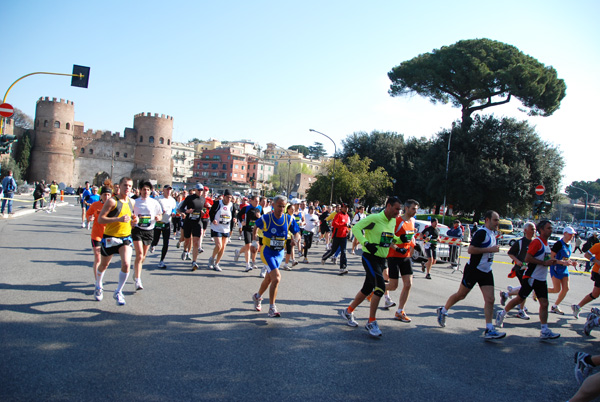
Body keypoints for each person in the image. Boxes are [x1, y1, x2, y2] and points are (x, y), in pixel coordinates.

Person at [437, 211, 506, 340]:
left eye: (498, 220)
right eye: (495, 220)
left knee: (490, 299)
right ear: (487, 220)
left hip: (486, 271)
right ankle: (443, 310)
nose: (497, 223)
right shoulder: (481, 233)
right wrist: (489, 250)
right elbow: (471, 250)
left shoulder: (493, 233)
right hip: (474, 270)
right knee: (461, 295)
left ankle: (489, 328)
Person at [340, 196, 402, 338]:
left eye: (399, 209)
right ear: (388, 206)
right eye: (396, 209)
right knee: (379, 287)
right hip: (369, 257)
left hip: (382, 258)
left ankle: (348, 311)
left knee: (367, 288)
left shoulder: (392, 221)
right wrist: (365, 243)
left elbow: (389, 237)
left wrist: (400, 241)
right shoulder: (374, 218)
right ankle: (371, 321)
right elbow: (356, 228)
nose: (398, 212)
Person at [495, 220, 560, 340]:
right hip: (531, 277)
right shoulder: (537, 242)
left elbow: (547, 259)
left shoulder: (546, 243)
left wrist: (562, 262)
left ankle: (544, 330)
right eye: (548, 228)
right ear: (542, 230)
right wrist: (543, 263)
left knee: (544, 304)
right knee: (520, 298)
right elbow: (528, 258)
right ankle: (502, 313)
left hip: (541, 279)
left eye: (551, 228)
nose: (551, 230)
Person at [251, 195, 301, 317]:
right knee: (277, 278)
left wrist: (295, 239)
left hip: (279, 253)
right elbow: (256, 226)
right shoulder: (267, 218)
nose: (281, 209)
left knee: (269, 279)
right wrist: (254, 241)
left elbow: (297, 233)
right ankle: (272, 308)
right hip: (267, 252)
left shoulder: (289, 219)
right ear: (273, 205)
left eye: (283, 206)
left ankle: (257, 296)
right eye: (279, 206)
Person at [96, 177, 138, 306]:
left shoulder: (132, 202)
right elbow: (100, 219)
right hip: (110, 237)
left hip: (125, 237)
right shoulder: (112, 201)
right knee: (104, 265)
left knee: (126, 264)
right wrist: (117, 219)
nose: (127, 188)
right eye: (125, 185)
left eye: (130, 186)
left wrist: (134, 222)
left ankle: (118, 291)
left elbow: (130, 221)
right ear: (119, 186)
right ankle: (98, 285)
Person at [386, 199, 419, 322]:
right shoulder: (397, 221)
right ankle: (375, 288)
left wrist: (415, 246)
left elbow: (410, 237)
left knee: (408, 284)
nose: (415, 211)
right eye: (413, 209)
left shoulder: (413, 221)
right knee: (393, 286)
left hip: (406, 257)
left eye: (416, 209)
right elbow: (389, 239)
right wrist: (397, 249)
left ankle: (400, 311)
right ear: (406, 208)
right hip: (394, 256)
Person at [500, 221, 536, 320]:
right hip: (521, 269)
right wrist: (518, 261)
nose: (534, 231)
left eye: (534, 229)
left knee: (525, 289)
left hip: (531, 269)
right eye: (532, 229)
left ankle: (508, 294)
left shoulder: (535, 242)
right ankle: (521, 310)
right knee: (525, 288)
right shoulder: (520, 242)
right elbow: (510, 253)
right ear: (525, 230)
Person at [131, 181, 163, 290]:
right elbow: (129, 213)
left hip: (149, 230)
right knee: (139, 254)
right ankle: (138, 280)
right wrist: (133, 220)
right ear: (140, 190)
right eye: (144, 189)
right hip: (137, 229)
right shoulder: (134, 202)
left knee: (143, 256)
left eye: (148, 190)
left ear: (151, 191)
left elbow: (160, 214)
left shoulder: (154, 202)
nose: (146, 191)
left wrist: (159, 217)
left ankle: (136, 270)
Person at [86, 185, 113, 300]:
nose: (106, 197)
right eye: (104, 194)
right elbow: (89, 213)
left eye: (108, 195)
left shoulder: (113, 206)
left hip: (109, 236)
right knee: (97, 258)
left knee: (105, 262)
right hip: (96, 235)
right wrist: (89, 218)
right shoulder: (95, 205)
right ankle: (98, 283)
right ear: (100, 195)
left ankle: (100, 276)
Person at [547, 226, 578, 315]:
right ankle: (538, 292)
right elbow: (551, 258)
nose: (572, 236)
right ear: (564, 234)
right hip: (556, 268)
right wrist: (562, 262)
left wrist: (572, 263)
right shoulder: (558, 244)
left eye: (573, 235)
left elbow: (566, 258)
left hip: (564, 269)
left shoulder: (570, 245)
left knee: (566, 288)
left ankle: (555, 306)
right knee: (556, 289)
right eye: (570, 234)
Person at [179, 184, 209, 270]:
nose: (200, 192)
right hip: (188, 222)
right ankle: (185, 251)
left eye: (201, 190)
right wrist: (187, 211)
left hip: (197, 222)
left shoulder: (203, 199)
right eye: (198, 190)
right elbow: (181, 208)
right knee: (187, 240)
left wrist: (202, 213)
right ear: (195, 190)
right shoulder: (189, 198)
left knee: (196, 242)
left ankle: (194, 261)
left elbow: (202, 209)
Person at [208, 189, 236, 271]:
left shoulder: (232, 205)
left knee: (223, 247)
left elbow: (234, 214)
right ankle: (212, 258)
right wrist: (213, 219)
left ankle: (217, 263)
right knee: (219, 245)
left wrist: (235, 218)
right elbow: (211, 212)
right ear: (224, 196)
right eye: (228, 197)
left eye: (231, 198)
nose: (229, 199)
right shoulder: (218, 203)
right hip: (217, 227)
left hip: (226, 229)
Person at [572, 236, 600, 318]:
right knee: (595, 294)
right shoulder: (598, 246)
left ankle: (577, 307)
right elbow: (587, 255)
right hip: (597, 272)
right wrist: (597, 261)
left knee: (595, 294)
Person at [234, 195, 262, 272]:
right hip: (247, 229)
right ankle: (247, 265)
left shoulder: (259, 208)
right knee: (248, 246)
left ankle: (250, 260)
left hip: (255, 230)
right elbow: (239, 214)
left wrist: (260, 217)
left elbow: (263, 218)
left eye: (258, 201)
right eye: (256, 201)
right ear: (251, 201)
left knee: (255, 247)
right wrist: (242, 221)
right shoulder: (246, 208)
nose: (257, 203)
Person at [151, 185, 177, 269]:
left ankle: (161, 260)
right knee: (156, 240)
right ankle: (153, 245)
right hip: (158, 223)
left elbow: (174, 209)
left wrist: (173, 213)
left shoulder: (172, 200)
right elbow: (153, 209)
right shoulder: (158, 199)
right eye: (167, 190)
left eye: (170, 190)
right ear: (164, 190)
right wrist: (160, 212)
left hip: (167, 223)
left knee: (166, 243)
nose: (169, 191)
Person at [321, 202, 351, 275]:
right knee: (333, 250)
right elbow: (334, 224)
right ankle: (324, 257)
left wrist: (347, 230)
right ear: (342, 208)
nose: (346, 208)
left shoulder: (347, 216)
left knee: (343, 251)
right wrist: (343, 224)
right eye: (345, 207)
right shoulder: (338, 215)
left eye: (347, 207)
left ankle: (342, 268)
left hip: (344, 236)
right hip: (337, 236)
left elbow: (347, 226)